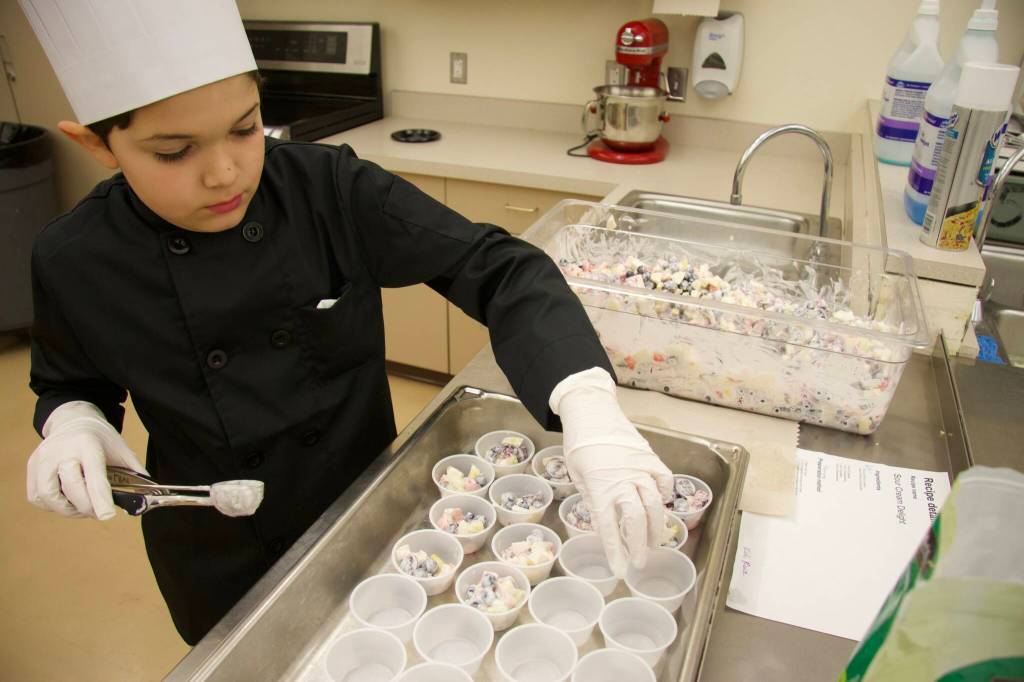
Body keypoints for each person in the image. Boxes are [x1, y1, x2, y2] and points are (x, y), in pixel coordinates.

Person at [19, 0, 674, 645]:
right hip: (213, 547)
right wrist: (74, 422)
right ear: (96, 143)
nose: (225, 172)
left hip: (366, 513)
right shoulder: (74, 258)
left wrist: (587, 400)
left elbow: (497, 266)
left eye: (246, 128)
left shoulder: (326, 189)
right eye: (174, 152)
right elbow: (69, 381)